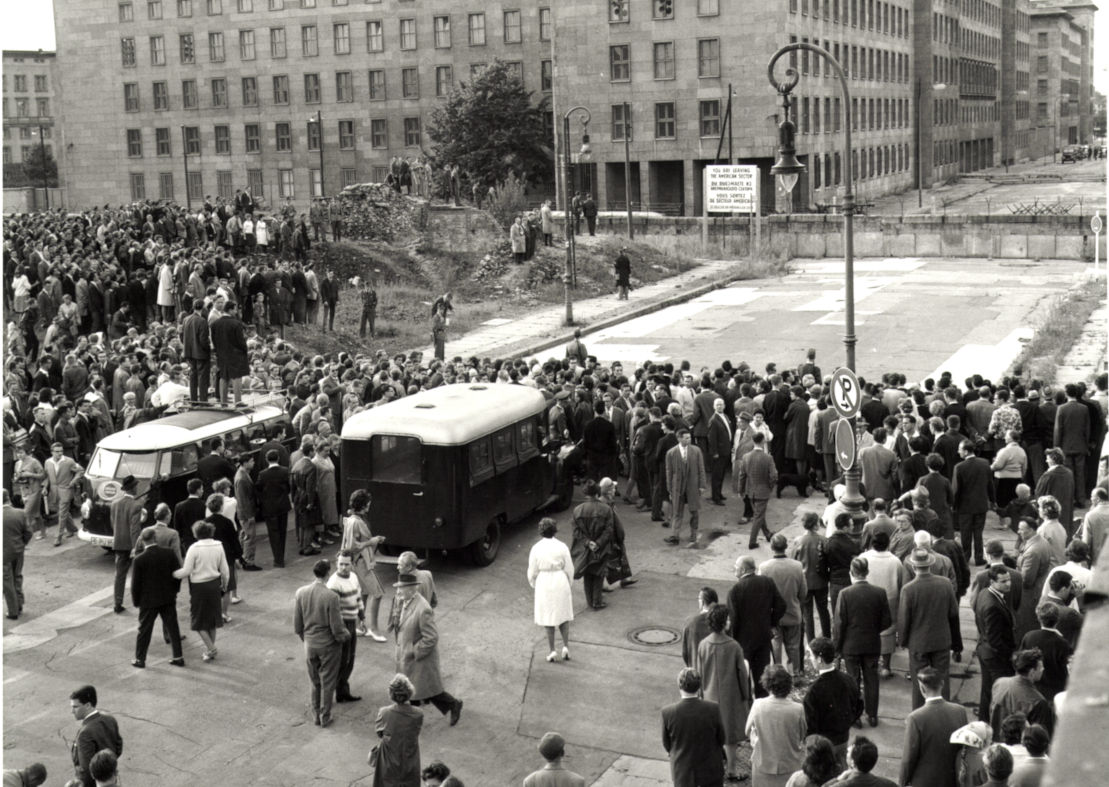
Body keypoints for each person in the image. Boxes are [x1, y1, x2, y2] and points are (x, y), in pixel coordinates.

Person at [390, 572, 464, 726]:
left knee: (421, 691)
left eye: (401, 588)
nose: (398, 591)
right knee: (423, 691)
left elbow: (431, 637)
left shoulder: (423, 609)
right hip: (407, 657)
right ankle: (452, 705)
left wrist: (414, 651)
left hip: (419, 660)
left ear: (412, 589)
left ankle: (450, 705)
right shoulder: (403, 600)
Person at [899, 547, 963, 709]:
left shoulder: (909, 589)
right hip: (941, 640)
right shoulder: (945, 584)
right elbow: (954, 612)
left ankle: (920, 714)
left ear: (913, 567)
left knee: (919, 681)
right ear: (930, 565)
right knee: (942, 679)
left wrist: (904, 641)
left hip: (918, 642)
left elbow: (904, 620)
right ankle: (945, 711)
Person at [833, 557, 891, 727]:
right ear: (867, 572)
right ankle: (872, 715)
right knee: (872, 679)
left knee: (853, 680)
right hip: (872, 643)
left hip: (850, 645)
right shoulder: (880, 593)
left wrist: (837, 648)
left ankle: (855, 716)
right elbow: (887, 621)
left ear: (851, 573)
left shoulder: (845, 594)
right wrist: (873, 631)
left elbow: (839, 624)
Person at [697, 603, 752, 781]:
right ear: (723, 622)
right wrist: (746, 696)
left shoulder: (703, 645)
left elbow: (699, 673)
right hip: (731, 696)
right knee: (730, 737)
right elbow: (742, 675)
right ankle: (732, 769)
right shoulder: (734, 646)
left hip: (709, 694)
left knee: (712, 734)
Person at [294, 558, 350, 728]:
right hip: (328, 646)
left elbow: (297, 625)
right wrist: (346, 636)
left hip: (310, 644)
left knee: (315, 681)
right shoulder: (331, 597)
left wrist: (307, 640)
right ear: (327, 574)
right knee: (328, 682)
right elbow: (337, 628)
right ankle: (325, 716)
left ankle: (316, 714)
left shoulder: (301, 592)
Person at [900, 667, 969, 787]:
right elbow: (964, 749)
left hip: (924, 782)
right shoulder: (960, 711)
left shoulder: (915, 718)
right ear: (942, 684)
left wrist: (902, 782)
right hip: (951, 780)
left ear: (922, 688)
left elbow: (908, 758)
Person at [728, 554, 785, 697]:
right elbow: (781, 605)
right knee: (762, 680)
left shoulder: (735, 590)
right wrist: (771, 623)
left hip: (743, 642)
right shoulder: (767, 582)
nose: (734, 570)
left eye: (736, 567)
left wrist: (732, 640)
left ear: (742, 570)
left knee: (744, 680)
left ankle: (748, 709)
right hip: (763, 639)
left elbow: (733, 620)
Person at [172, 520, 229, 663]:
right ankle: (211, 650)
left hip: (199, 587)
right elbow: (225, 570)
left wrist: (172, 574)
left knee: (197, 621)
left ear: (196, 533)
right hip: (214, 585)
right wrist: (225, 584)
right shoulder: (219, 545)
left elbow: (186, 570)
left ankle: (211, 648)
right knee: (212, 620)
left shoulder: (194, 548)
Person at [660, 667, 726, 787]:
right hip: (710, 770)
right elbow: (721, 738)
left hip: (683, 772)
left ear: (679, 685)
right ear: (699, 686)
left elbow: (667, 744)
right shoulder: (713, 708)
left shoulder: (668, 713)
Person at [803, 637, 863, 766]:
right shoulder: (848, 680)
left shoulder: (814, 691)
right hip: (843, 739)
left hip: (823, 745)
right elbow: (859, 706)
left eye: (811, 656)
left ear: (819, 659)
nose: (809, 659)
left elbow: (810, 725)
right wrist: (847, 722)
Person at [130, 528, 185, 668]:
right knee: (173, 628)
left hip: (148, 601)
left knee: (144, 631)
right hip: (167, 597)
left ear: (142, 540)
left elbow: (135, 585)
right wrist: (174, 590)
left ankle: (140, 659)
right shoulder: (169, 553)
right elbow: (177, 574)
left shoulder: (139, 560)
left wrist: (136, 601)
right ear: (155, 538)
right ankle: (178, 656)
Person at [746, 665, 807, 787]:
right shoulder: (798, 709)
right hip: (790, 765)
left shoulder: (757, 705)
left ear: (767, 684)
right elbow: (802, 735)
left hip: (763, 764)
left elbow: (747, 731)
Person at [527, 517, 574, 663]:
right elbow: (569, 568)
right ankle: (565, 646)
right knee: (563, 615)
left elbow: (532, 570)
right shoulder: (562, 546)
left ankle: (552, 650)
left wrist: (533, 582)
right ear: (554, 530)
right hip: (560, 579)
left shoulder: (536, 548)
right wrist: (568, 582)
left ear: (541, 531)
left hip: (544, 581)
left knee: (548, 617)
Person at [760, 533, 807, 675]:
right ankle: (795, 674)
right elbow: (803, 591)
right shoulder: (797, 566)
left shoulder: (764, 567)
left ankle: (777, 673)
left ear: (772, 547)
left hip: (773, 615)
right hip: (792, 611)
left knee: (776, 644)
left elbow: (762, 593)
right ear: (786, 547)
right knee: (793, 646)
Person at [367, 673, 423, 786]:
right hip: (409, 759)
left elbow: (379, 733)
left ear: (392, 694)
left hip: (389, 760)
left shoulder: (384, 712)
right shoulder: (418, 713)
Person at [989, 648, 1054, 738]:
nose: (1043, 669)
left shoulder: (999, 683)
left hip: (995, 739)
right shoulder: (1038, 702)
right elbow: (1040, 737)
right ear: (1032, 672)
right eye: (1040, 667)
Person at [326, 550, 364, 703]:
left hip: (352, 622)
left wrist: (362, 617)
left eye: (346, 564)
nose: (343, 567)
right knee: (341, 660)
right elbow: (333, 611)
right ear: (336, 564)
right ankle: (333, 693)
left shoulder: (354, 577)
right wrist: (340, 630)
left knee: (350, 658)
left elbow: (358, 597)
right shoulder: (334, 583)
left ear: (352, 564)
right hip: (342, 625)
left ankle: (342, 691)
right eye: (340, 564)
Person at [570, 480, 615, 610]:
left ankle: (590, 602)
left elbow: (576, 532)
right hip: (601, 547)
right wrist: (598, 543)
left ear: (586, 494)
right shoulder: (606, 509)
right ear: (597, 493)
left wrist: (587, 542)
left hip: (585, 549)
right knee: (599, 573)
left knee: (587, 573)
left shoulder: (577, 510)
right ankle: (597, 601)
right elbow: (609, 530)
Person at [67, 685, 123, 787]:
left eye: (75, 707)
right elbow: (118, 747)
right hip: (110, 778)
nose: (72, 711)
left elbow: (87, 771)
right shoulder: (110, 719)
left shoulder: (85, 733)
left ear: (88, 705)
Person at [953, 439, 995, 566]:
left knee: (965, 533)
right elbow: (990, 484)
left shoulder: (959, 467)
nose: (958, 451)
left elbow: (956, 489)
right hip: (981, 504)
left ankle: (965, 557)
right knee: (978, 533)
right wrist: (993, 500)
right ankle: (978, 557)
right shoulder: (985, 463)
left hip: (965, 506)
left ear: (965, 451)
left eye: (960, 449)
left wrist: (953, 505)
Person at [1019, 602, 1070, 701]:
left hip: (1032, 689)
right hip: (1055, 692)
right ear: (1057, 620)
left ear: (1039, 618)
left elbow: (1021, 663)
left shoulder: (1028, 636)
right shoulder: (1062, 643)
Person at [109, 475, 145, 614]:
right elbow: (134, 528)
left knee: (119, 575)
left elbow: (113, 524)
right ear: (134, 487)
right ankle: (139, 601)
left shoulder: (114, 503)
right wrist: (136, 547)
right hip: (131, 544)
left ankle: (118, 603)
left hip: (119, 543)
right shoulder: (136, 505)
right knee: (138, 574)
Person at [738, 431, 778, 548]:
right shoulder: (768, 458)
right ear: (763, 441)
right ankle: (752, 542)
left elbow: (742, 476)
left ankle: (767, 534)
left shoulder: (746, 457)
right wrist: (770, 486)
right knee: (758, 516)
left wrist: (741, 491)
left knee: (758, 514)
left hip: (751, 491)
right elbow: (774, 475)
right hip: (763, 491)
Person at [255, 449, 291, 568]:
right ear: (278, 459)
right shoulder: (285, 471)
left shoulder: (262, 474)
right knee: (282, 531)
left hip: (269, 508)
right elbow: (289, 487)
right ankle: (281, 556)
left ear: (267, 460)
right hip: (283, 506)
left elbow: (258, 489)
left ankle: (278, 559)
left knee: (273, 533)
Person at [209, 300, 249, 407]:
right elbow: (241, 341)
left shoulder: (215, 324)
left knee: (223, 377)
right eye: (235, 309)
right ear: (230, 310)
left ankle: (223, 402)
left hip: (221, 354)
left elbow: (213, 340)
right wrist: (245, 350)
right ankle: (238, 401)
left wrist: (218, 351)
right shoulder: (236, 323)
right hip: (236, 354)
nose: (236, 312)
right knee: (237, 377)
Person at [821, 736, 897, 787]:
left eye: (848, 752)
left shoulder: (842, 785)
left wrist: (838, 779)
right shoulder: (888, 784)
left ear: (853, 762)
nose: (846, 754)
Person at [3, 489, 32, 620]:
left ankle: (13, 610)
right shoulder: (20, 513)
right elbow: (28, 532)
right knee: (17, 576)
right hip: (18, 551)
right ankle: (19, 604)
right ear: (8, 498)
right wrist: (22, 543)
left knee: (6, 582)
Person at [681, 586, 718, 668]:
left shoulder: (690, 622)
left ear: (702, 602)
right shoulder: (722, 622)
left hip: (696, 669)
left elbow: (685, 652)